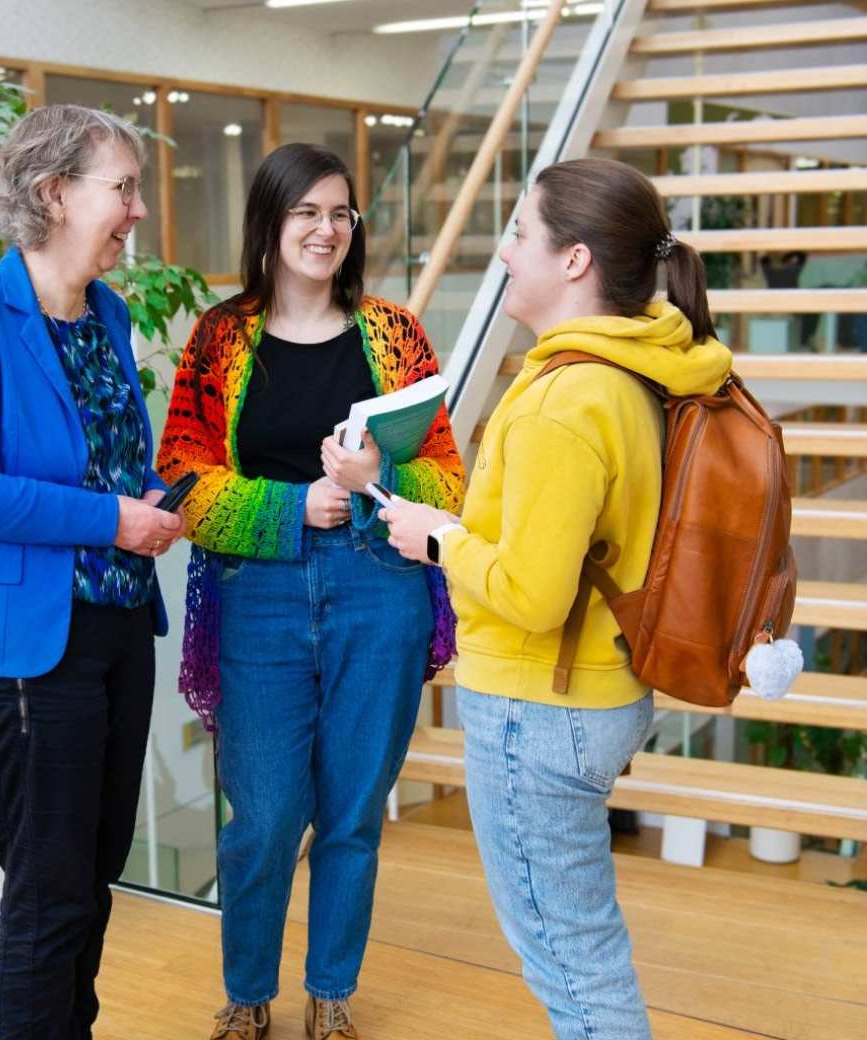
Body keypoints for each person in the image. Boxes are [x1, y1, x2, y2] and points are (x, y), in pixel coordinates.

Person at [381, 157, 733, 1040]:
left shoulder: (563, 401)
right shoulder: (645, 365)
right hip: (600, 689)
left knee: (573, 967)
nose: (502, 255)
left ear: (574, 261)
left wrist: (440, 540)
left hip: (539, 706)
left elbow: (532, 596)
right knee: (583, 948)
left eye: (519, 235)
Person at [156, 142, 464, 1040]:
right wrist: (299, 507)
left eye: (340, 214)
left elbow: (449, 476)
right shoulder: (218, 336)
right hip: (260, 593)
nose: (325, 230)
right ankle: (248, 997)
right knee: (264, 814)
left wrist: (379, 478)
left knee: (354, 813)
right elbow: (179, 474)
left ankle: (331, 993)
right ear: (270, 223)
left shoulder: (396, 334)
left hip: (382, 590)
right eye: (305, 213)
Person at [0, 104, 182, 1040]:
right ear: (53, 193)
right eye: (125, 188)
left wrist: (149, 497)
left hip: (112, 629)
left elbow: (101, 458)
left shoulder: (108, 312)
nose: (138, 211)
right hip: (21, 649)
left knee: (91, 872)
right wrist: (112, 517)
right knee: (48, 889)